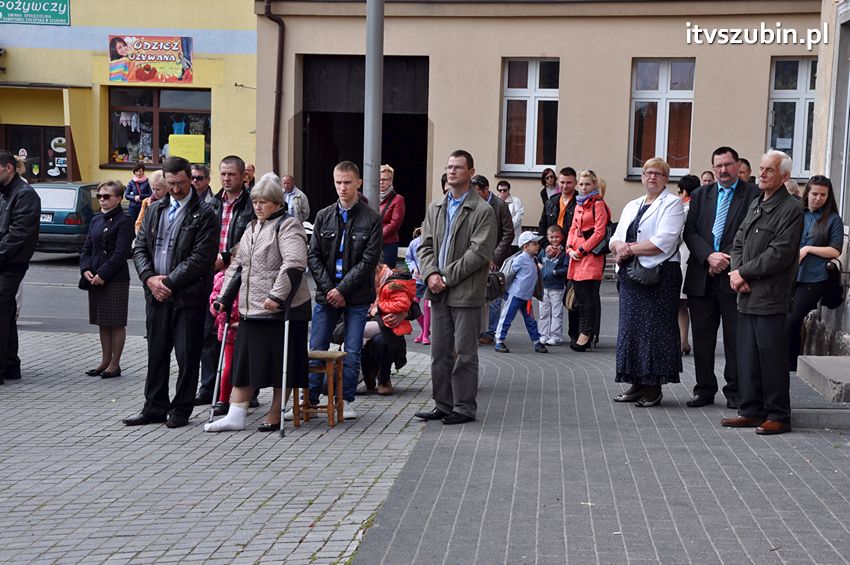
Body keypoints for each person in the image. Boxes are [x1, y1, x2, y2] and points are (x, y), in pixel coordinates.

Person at [205, 173, 312, 433]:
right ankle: (236, 413)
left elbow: (294, 264)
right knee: (244, 362)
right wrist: (223, 298)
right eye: (255, 203)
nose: (258, 207)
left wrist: (276, 296)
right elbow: (238, 265)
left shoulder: (288, 225)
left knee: (280, 364)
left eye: (263, 202)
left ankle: (276, 413)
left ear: (276, 203)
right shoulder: (252, 227)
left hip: (283, 310)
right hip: (251, 309)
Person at [123, 156, 218, 428]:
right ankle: (154, 407)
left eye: (180, 183)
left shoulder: (206, 213)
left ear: (190, 179)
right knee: (157, 352)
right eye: (170, 183)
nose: (175, 189)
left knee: (187, 356)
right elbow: (140, 247)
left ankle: (181, 409)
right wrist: (149, 278)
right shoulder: (155, 209)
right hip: (156, 294)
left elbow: (201, 258)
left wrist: (169, 283)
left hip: (188, 296)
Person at [722, 150, 804, 435]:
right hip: (746, 293)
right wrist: (737, 272)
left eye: (769, 170)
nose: (763, 174)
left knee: (771, 358)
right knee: (748, 357)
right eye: (761, 168)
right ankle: (752, 410)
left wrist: (743, 273)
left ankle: (778, 415)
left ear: (785, 175)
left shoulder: (791, 208)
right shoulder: (757, 203)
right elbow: (738, 242)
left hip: (770, 295)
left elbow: (779, 254)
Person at [414, 150, 497, 425]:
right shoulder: (435, 207)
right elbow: (424, 245)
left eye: (458, 167)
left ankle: (463, 407)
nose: (452, 172)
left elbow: (478, 254)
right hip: (437, 290)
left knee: (464, 353)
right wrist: (430, 275)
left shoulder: (482, 210)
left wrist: (444, 277)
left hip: (465, 292)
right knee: (439, 352)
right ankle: (443, 404)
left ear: (471, 172)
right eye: (449, 167)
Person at [682, 147, 760, 408]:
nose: (723, 170)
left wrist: (723, 258)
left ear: (738, 165)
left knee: (734, 338)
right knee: (702, 338)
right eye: (718, 166)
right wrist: (709, 256)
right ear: (713, 168)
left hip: (734, 275)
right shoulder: (700, 194)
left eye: (728, 165)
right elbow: (690, 232)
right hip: (701, 276)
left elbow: (751, 234)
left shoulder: (753, 195)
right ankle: (704, 389)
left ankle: (735, 391)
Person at [306, 161, 382, 420]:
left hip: (357, 296)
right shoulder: (323, 215)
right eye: (338, 182)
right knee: (316, 347)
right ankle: (311, 399)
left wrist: (342, 290)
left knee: (351, 351)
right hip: (327, 295)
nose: (342, 187)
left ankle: (346, 399)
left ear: (358, 183)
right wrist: (330, 289)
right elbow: (313, 255)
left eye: (347, 182)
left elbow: (368, 261)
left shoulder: (371, 218)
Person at [610, 157, 685, 407]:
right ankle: (636, 382)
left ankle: (653, 387)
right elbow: (616, 237)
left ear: (666, 179)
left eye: (658, 173)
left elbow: (664, 241)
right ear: (642, 177)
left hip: (659, 276)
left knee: (655, 331)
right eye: (648, 172)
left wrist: (628, 249)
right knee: (631, 329)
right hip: (631, 276)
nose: (652, 177)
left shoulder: (672, 204)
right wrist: (620, 247)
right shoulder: (633, 204)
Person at [195, 156, 255, 410]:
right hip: (211, 274)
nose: (226, 179)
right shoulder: (210, 204)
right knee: (209, 333)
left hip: (240, 275)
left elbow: (252, 238)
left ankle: (246, 390)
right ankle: (208, 386)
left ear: (243, 176)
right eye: (223, 174)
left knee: (239, 335)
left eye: (231, 174)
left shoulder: (252, 205)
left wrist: (227, 257)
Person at [787, 175, 843, 371]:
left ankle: (788, 363)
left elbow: (836, 250)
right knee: (790, 321)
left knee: (792, 318)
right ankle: (791, 364)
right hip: (790, 276)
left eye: (823, 195)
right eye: (815, 194)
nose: (818, 198)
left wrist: (808, 249)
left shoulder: (833, 219)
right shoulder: (796, 213)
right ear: (807, 193)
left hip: (815, 277)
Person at [80, 180, 134, 379]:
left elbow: (121, 253)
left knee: (116, 322)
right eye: (99, 196)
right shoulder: (96, 220)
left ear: (118, 198)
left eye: (106, 196)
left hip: (114, 278)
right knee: (103, 321)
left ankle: (115, 363)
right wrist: (85, 269)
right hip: (94, 277)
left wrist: (103, 274)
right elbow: (87, 248)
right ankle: (104, 360)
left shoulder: (124, 220)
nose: (102, 200)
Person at [0, 150, 40, 385]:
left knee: (2, 310)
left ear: (8, 168)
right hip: (6, 260)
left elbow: (18, 235)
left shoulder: (24, 194)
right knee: (5, 313)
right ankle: (10, 365)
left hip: (11, 263)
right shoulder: (6, 192)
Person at [565, 169, 610, 352]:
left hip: (590, 256)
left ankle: (586, 333)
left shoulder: (598, 204)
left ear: (594, 185)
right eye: (581, 184)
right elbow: (572, 228)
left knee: (586, 297)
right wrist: (569, 248)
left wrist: (582, 250)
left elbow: (600, 232)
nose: (584, 188)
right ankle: (579, 332)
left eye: (587, 184)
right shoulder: (578, 204)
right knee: (577, 296)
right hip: (576, 255)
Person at [539, 167, 580, 342]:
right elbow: (542, 227)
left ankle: (574, 333)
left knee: (572, 294)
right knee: (549, 298)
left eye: (569, 182)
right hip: (551, 253)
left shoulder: (579, 201)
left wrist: (565, 248)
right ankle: (546, 334)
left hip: (570, 254)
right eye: (562, 182)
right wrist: (547, 245)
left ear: (575, 183)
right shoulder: (551, 201)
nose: (565, 185)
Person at [361, 267, 417, 396]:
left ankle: (383, 379)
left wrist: (404, 314)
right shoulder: (351, 287)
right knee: (326, 387)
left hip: (386, 331)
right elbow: (337, 331)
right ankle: (363, 375)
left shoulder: (392, 283)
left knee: (382, 340)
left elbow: (412, 306)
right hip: (356, 332)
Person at [473, 175, 514, 345]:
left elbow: (508, 233)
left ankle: (490, 331)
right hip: (477, 256)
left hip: (496, 258)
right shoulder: (473, 204)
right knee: (477, 295)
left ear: (486, 190)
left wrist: (495, 257)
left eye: (477, 192)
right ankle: (477, 330)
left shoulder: (500, 205)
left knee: (494, 295)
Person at [494, 231, 548, 354]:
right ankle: (499, 341)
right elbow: (508, 274)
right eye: (534, 244)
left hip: (526, 297)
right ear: (525, 246)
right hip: (515, 295)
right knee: (507, 317)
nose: (537, 246)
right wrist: (504, 290)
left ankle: (537, 341)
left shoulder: (532, 259)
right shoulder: (519, 259)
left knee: (531, 321)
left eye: (537, 243)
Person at [207, 268, 240, 416]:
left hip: (249, 327)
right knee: (229, 366)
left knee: (246, 365)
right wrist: (229, 321)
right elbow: (215, 307)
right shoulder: (223, 279)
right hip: (231, 330)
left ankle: (247, 395)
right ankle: (223, 399)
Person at [676, 174, 700, 356]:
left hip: (683, 258)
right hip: (698, 258)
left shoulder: (683, 209)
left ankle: (681, 340)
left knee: (679, 304)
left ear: (684, 191)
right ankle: (684, 341)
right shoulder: (703, 207)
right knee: (688, 304)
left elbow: (675, 236)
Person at [538, 224, 568, 346]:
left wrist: (555, 272)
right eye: (552, 237)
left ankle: (555, 336)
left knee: (556, 312)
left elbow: (567, 268)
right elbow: (537, 260)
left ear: (562, 237)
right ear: (547, 238)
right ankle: (543, 335)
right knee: (543, 312)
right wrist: (540, 267)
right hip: (543, 286)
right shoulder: (544, 252)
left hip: (557, 287)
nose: (554, 239)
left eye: (557, 237)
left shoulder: (564, 253)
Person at [406, 226, 430, 344]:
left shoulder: (434, 242)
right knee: (414, 304)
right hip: (418, 279)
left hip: (430, 278)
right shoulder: (414, 243)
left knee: (427, 305)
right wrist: (414, 269)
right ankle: (424, 330)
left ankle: (425, 334)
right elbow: (409, 258)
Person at [379, 164, 406, 267]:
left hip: (388, 243)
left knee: (387, 274)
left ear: (390, 181)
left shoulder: (398, 199)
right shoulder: (371, 195)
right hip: (372, 242)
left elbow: (395, 223)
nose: (381, 182)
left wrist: (378, 235)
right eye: (379, 179)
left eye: (385, 179)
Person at [497, 180, 524, 253]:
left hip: (514, 238)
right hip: (499, 238)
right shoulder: (495, 202)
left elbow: (519, 217)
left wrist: (507, 227)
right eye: (500, 190)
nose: (502, 192)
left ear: (508, 190)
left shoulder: (516, 201)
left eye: (504, 190)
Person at [124, 162, 151, 227]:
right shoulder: (131, 182)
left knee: (143, 224)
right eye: (136, 171)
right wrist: (134, 198)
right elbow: (126, 195)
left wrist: (140, 197)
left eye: (140, 171)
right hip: (133, 207)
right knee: (133, 224)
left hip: (144, 206)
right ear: (134, 172)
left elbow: (151, 194)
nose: (138, 173)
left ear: (143, 171)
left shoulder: (148, 182)